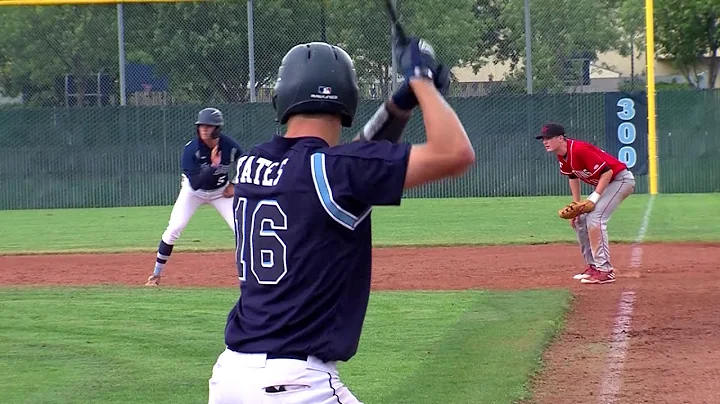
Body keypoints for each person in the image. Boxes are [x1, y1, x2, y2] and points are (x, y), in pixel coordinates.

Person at [206, 37, 475, 403]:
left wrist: (400, 104)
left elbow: (358, 159)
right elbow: (455, 154)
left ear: (282, 97)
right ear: (347, 99)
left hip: (230, 378)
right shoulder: (335, 171)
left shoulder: (255, 163)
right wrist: (422, 82)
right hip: (296, 386)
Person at [144, 108, 244, 287]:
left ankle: (248, 275)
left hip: (220, 193)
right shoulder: (191, 149)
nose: (204, 129)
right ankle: (156, 274)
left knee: (241, 229)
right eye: (201, 126)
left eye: (209, 126)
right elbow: (196, 183)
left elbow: (245, 162)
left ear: (218, 128)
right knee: (175, 227)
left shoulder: (229, 146)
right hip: (193, 192)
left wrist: (234, 184)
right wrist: (213, 167)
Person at [536, 122, 635, 284]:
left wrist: (594, 198)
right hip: (608, 183)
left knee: (596, 217)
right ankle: (594, 266)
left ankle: (605, 270)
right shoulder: (562, 155)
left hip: (620, 180)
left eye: (548, 138)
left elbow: (607, 172)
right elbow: (572, 177)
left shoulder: (580, 149)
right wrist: (576, 208)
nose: (545, 141)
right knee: (581, 220)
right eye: (543, 139)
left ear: (560, 138)